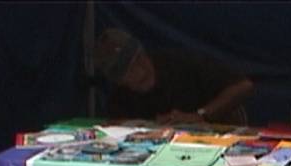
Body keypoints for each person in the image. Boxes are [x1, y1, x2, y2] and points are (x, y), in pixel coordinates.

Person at [93, 28, 254, 125]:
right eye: (129, 70)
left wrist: (201, 115)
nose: (140, 71)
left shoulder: (181, 64)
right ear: (119, 81)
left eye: (139, 59)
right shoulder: (119, 100)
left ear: (144, 51)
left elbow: (243, 86)